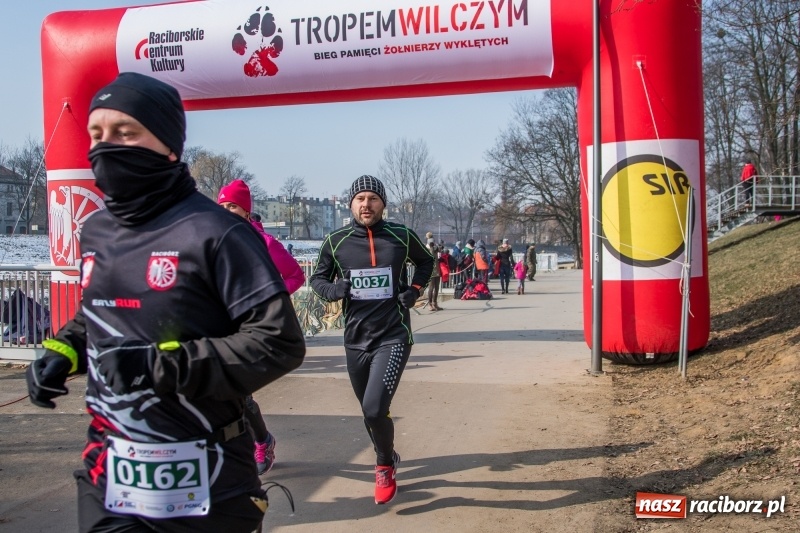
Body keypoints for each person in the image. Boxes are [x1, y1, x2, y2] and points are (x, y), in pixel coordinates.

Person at [25, 72, 306, 533]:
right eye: (97, 134)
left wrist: (161, 365)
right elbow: (98, 316)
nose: (106, 146)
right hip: (109, 467)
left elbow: (278, 342)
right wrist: (63, 351)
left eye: (125, 132)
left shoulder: (218, 232)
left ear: (169, 145)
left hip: (206, 473)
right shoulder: (96, 230)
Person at [309, 175, 433, 505]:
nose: (366, 204)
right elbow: (317, 279)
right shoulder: (336, 242)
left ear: (383, 204)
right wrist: (334, 291)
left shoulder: (401, 236)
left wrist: (415, 290)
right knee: (369, 413)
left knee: (374, 407)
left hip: (393, 336)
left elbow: (426, 262)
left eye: (373, 198)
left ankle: (383, 466)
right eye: (360, 198)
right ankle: (388, 454)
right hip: (355, 340)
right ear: (351, 204)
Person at [218, 179, 306, 474]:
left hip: (252, 325)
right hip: (220, 324)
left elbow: (295, 276)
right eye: (223, 206)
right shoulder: (211, 239)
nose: (227, 211)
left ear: (246, 211)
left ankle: (261, 441)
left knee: (240, 392)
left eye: (233, 206)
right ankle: (241, 445)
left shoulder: (265, 243)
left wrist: (268, 296)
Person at [425, 237, 443, 311]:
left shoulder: (435, 249)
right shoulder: (427, 249)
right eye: (432, 243)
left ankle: (435, 303)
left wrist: (440, 245)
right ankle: (430, 304)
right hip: (431, 271)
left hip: (437, 270)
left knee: (437, 288)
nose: (433, 244)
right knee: (431, 288)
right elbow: (432, 254)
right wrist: (432, 247)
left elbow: (440, 250)